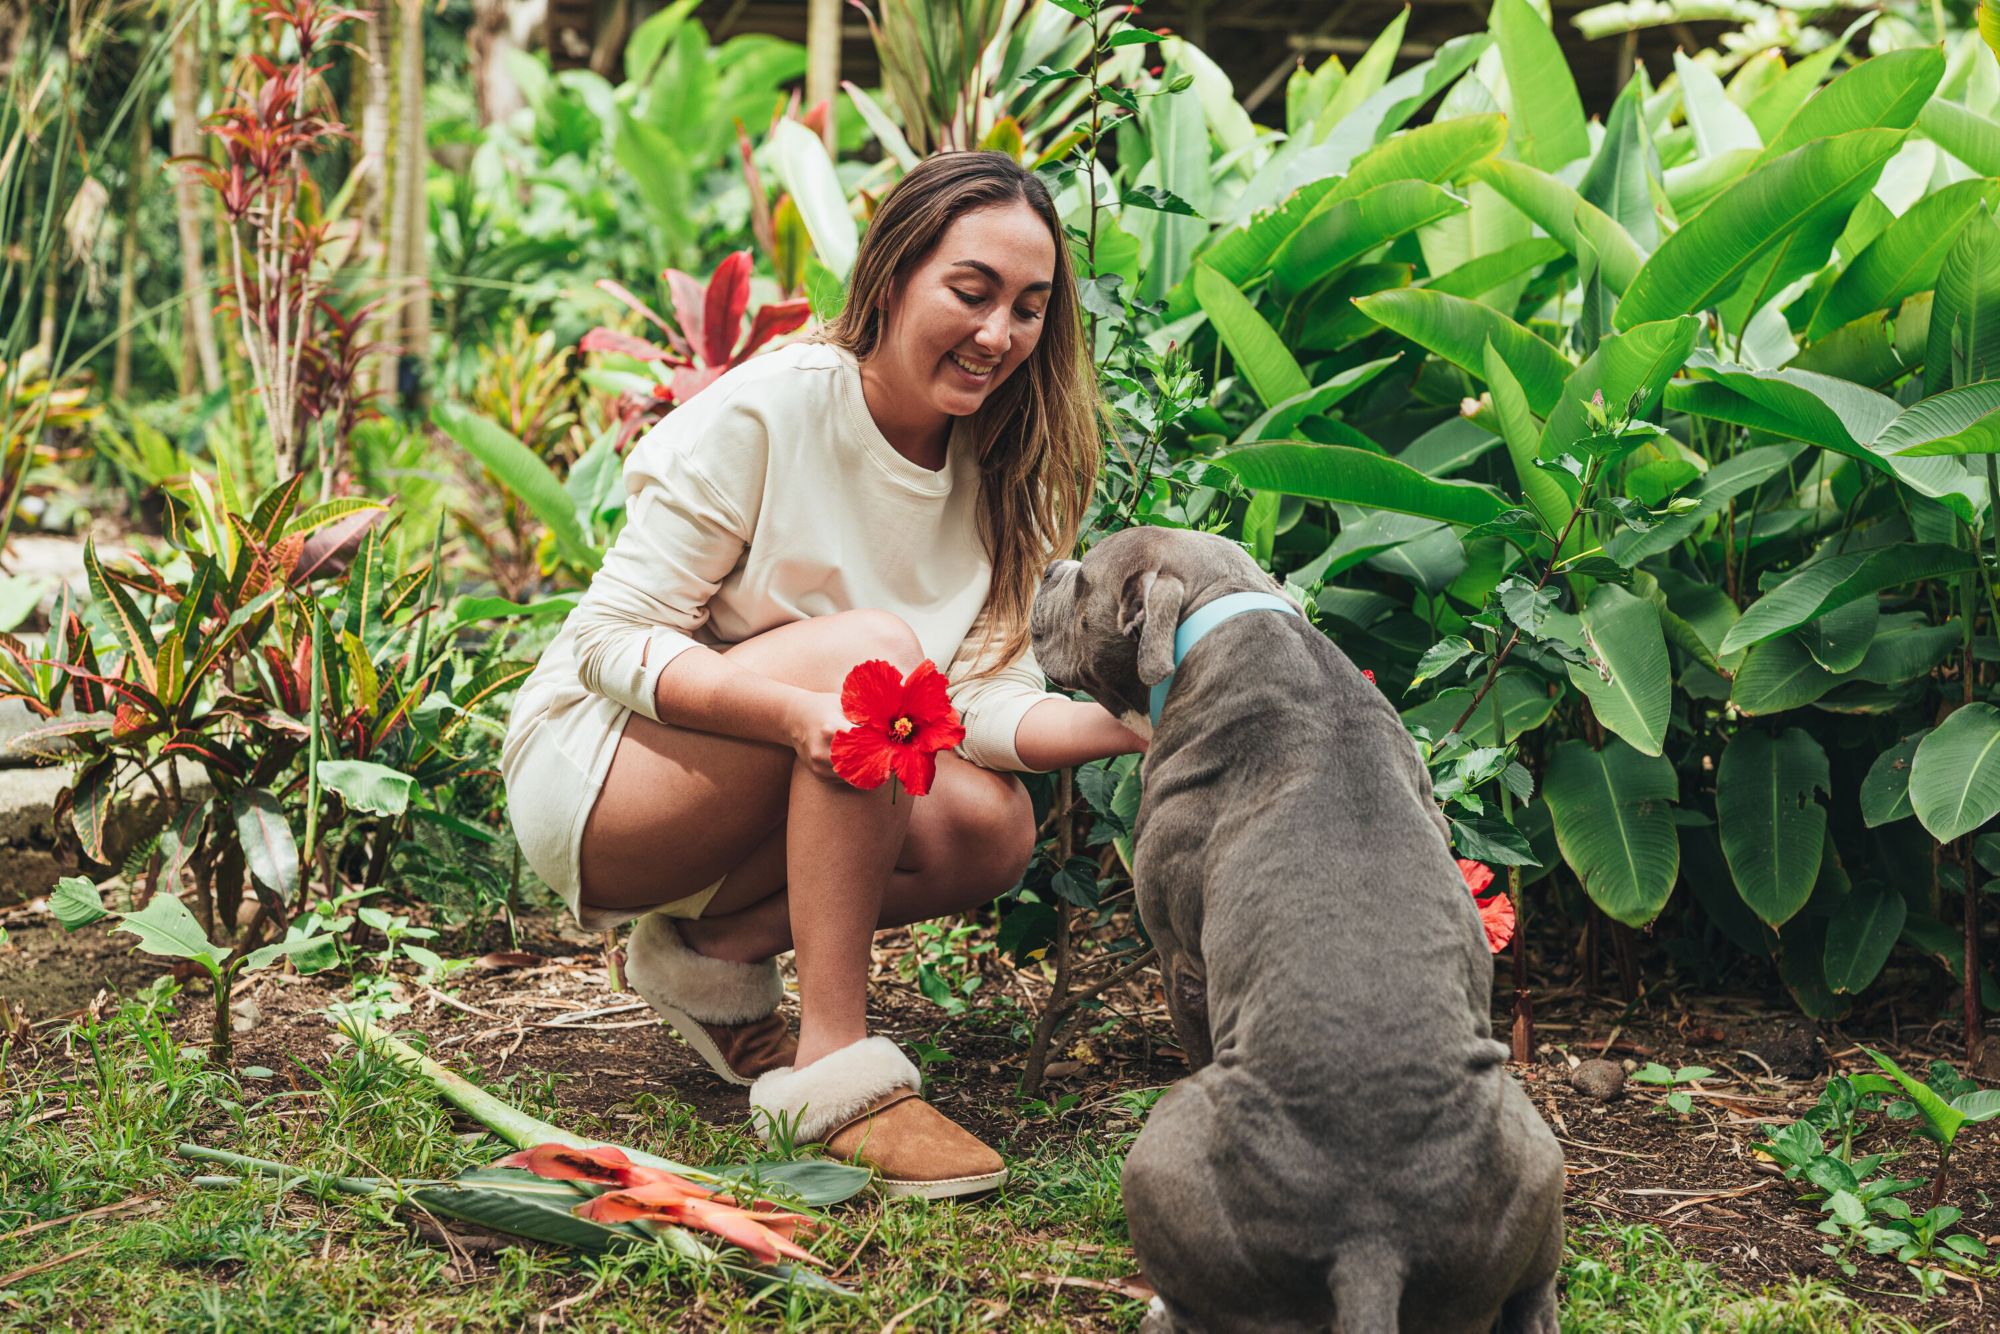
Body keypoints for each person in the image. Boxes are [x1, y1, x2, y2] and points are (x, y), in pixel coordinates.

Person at [501, 151, 1146, 1199]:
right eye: (970, 292)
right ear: (891, 278)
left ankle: (710, 951)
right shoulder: (778, 409)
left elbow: (979, 700)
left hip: (763, 790)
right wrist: (800, 712)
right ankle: (835, 1074)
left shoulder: (1009, 469)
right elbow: (609, 641)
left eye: (1028, 309)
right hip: (602, 776)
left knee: (992, 824)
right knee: (875, 669)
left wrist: (1129, 726)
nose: (997, 335)